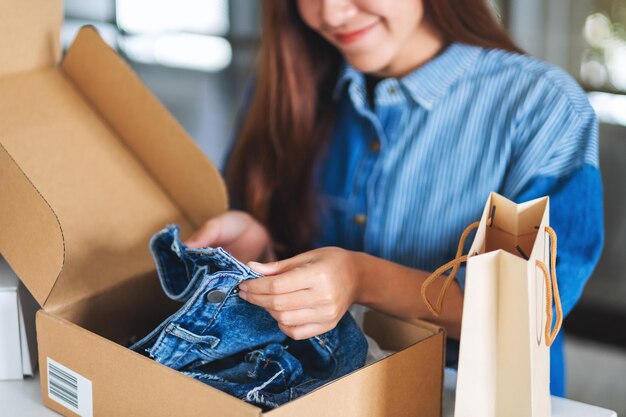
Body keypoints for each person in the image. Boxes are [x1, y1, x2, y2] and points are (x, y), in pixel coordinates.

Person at [184, 0, 603, 396]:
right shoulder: (287, 83)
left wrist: (360, 278)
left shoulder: (540, 107)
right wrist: (262, 243)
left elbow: (521, 311)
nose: (331, 13)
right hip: (312, 394)